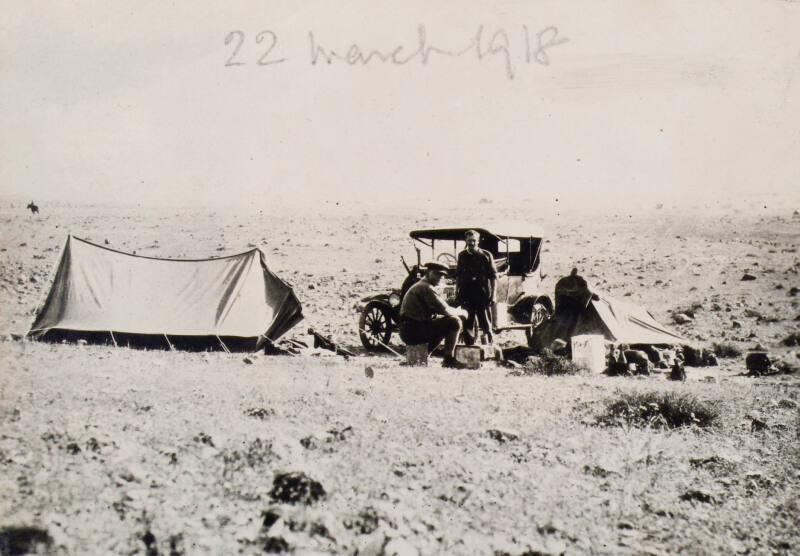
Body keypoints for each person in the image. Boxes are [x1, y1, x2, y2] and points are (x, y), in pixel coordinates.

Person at [399, 262, 467, 368]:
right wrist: (463, 312)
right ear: (428, 273)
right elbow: (446, 311)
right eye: (436, 274)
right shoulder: (426, 287)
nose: (440, 278)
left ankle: (421, 357)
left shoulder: (423, 285)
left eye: (442, 275)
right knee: (454, 322)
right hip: (413, 330)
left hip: (410, 328)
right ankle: (448, 359)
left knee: (442, 326)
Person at [456, 230, 497, 345]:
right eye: (469, 241)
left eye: (474, 241)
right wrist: (456, 290)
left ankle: (489, 346)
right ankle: (469, 347)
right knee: (468, 322)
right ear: (466, 241)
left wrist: (493, 295)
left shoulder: (486, 255)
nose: (472, 243)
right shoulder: (462, 255)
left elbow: (493, 277)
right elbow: (458, 276)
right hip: (466, 294)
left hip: (482, 294)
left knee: (485, 322)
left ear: (478, 241)